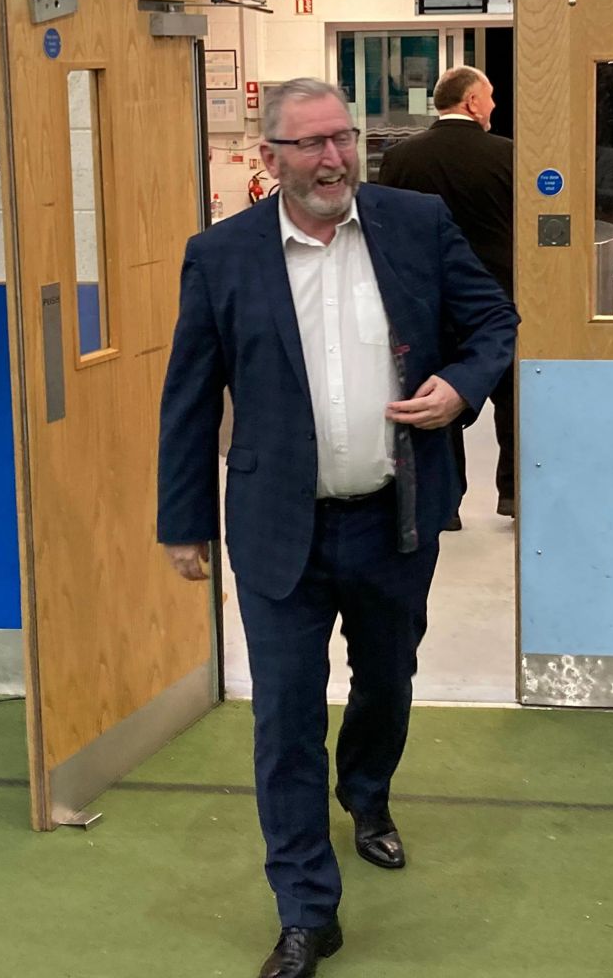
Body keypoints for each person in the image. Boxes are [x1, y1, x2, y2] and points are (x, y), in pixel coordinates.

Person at [157, 78, 518, 978]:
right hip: (280, 527)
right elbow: (191, 398)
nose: (333, 160)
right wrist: (182, 520)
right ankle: (307, 911)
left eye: (343, 139)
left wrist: (461, 386)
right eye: (311, 144)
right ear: (269, 157)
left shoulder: (415, 223)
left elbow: (494, 321)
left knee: (388, 680)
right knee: (283, 718)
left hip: (396, 520)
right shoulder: (223, 256)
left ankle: (367, 794)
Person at [378, 66, 520, 522]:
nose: (494, 106)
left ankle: (447, 502)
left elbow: (386, 229)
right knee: (512, 397)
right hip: (496, 295)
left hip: (426, 300)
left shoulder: (400, 157)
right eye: (491, 96)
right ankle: (513, 492)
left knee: (434, 396)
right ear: (472, 102)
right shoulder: (508, 155)